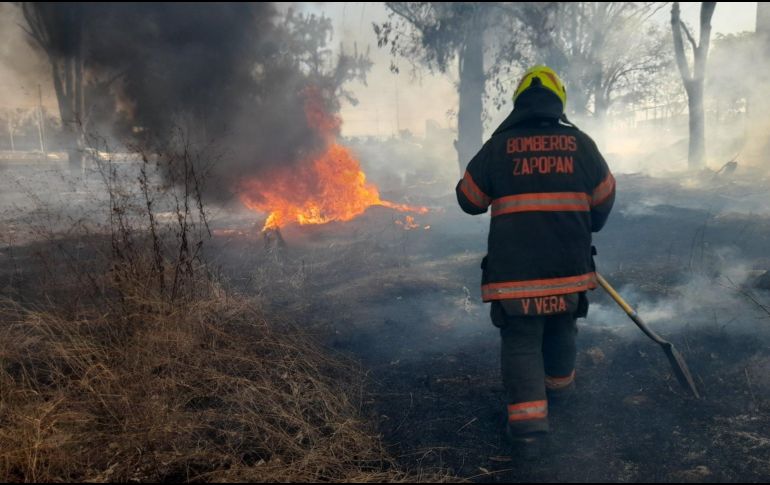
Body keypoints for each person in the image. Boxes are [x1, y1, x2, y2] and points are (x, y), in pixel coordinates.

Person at [455, 65, 615, 451]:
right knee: (562, 328)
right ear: (558, 102)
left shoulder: (498, 147)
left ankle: (529, 430)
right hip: (568, 270)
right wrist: (581, 223)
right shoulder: (582, 145)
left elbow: (470, 201)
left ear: (518, 105)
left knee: (522, 341)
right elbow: (603, 202)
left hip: (515, 275)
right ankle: (560, 393)